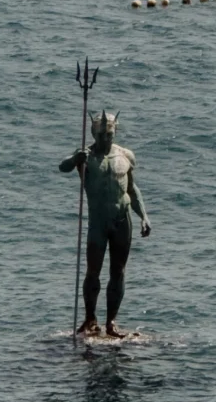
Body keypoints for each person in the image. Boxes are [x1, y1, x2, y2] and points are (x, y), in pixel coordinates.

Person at [59, 110, 151, 337]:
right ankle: (90, 319)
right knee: (93, 272)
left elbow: (131, 189)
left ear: (114, 132)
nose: (105, 139)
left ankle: (111, 322)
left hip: (122, 220)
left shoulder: (126, 155)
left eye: (109, 135)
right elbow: (63, 167)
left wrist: (144, 216)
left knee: (118, 272)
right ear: (93, 133)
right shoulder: (86, 156)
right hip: (98, 222)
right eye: (101, 135)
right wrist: (74, 160)